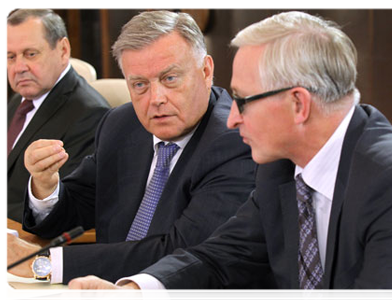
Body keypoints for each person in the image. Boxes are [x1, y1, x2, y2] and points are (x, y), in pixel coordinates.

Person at [60, 11, 392, 300]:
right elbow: (218, 258)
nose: (232, 117)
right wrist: (133, 291)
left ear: (298, 104)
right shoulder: (280, 166)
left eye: (244, 101)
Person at [5, 10, 256, 287]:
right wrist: (45, 186)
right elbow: (74, 209)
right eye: (139, 84)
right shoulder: (121, 123)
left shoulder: (235, 140)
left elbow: (178, 255)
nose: (156, 99)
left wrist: (43, 263)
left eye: (170, 78)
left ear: (206, 71)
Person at [5, 8, 110, 222]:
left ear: (63, 50)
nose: (19, 67)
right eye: (10, 57)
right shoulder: (20, 100)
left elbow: (62, 209)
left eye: (30, 54)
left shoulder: (90, 114)